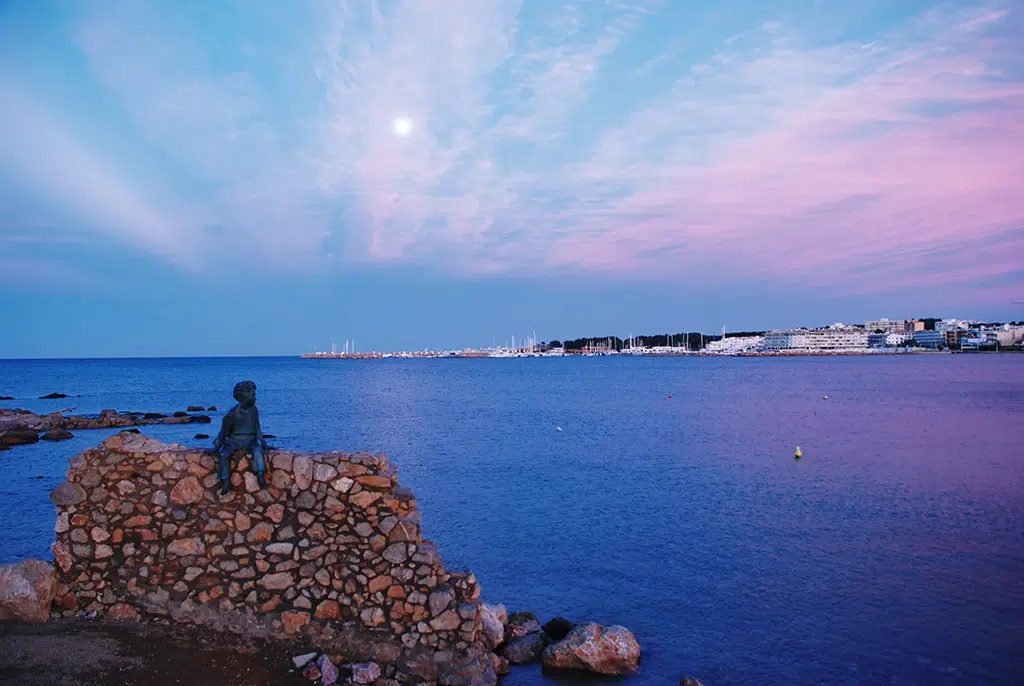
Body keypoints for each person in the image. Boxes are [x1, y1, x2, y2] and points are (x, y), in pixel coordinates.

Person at [209, 380, 267, 495]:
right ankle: (225, 481)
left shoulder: (254, 410)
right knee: (223, 453)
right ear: (244, 395)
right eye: (253, 394)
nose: (255, 398)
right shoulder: (231, 415)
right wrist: (217, 446)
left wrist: (262, 441)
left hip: (250, 439)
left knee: (257, 448)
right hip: (234, 440)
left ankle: (260, 474)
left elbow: (257, 427)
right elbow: (223, 434)